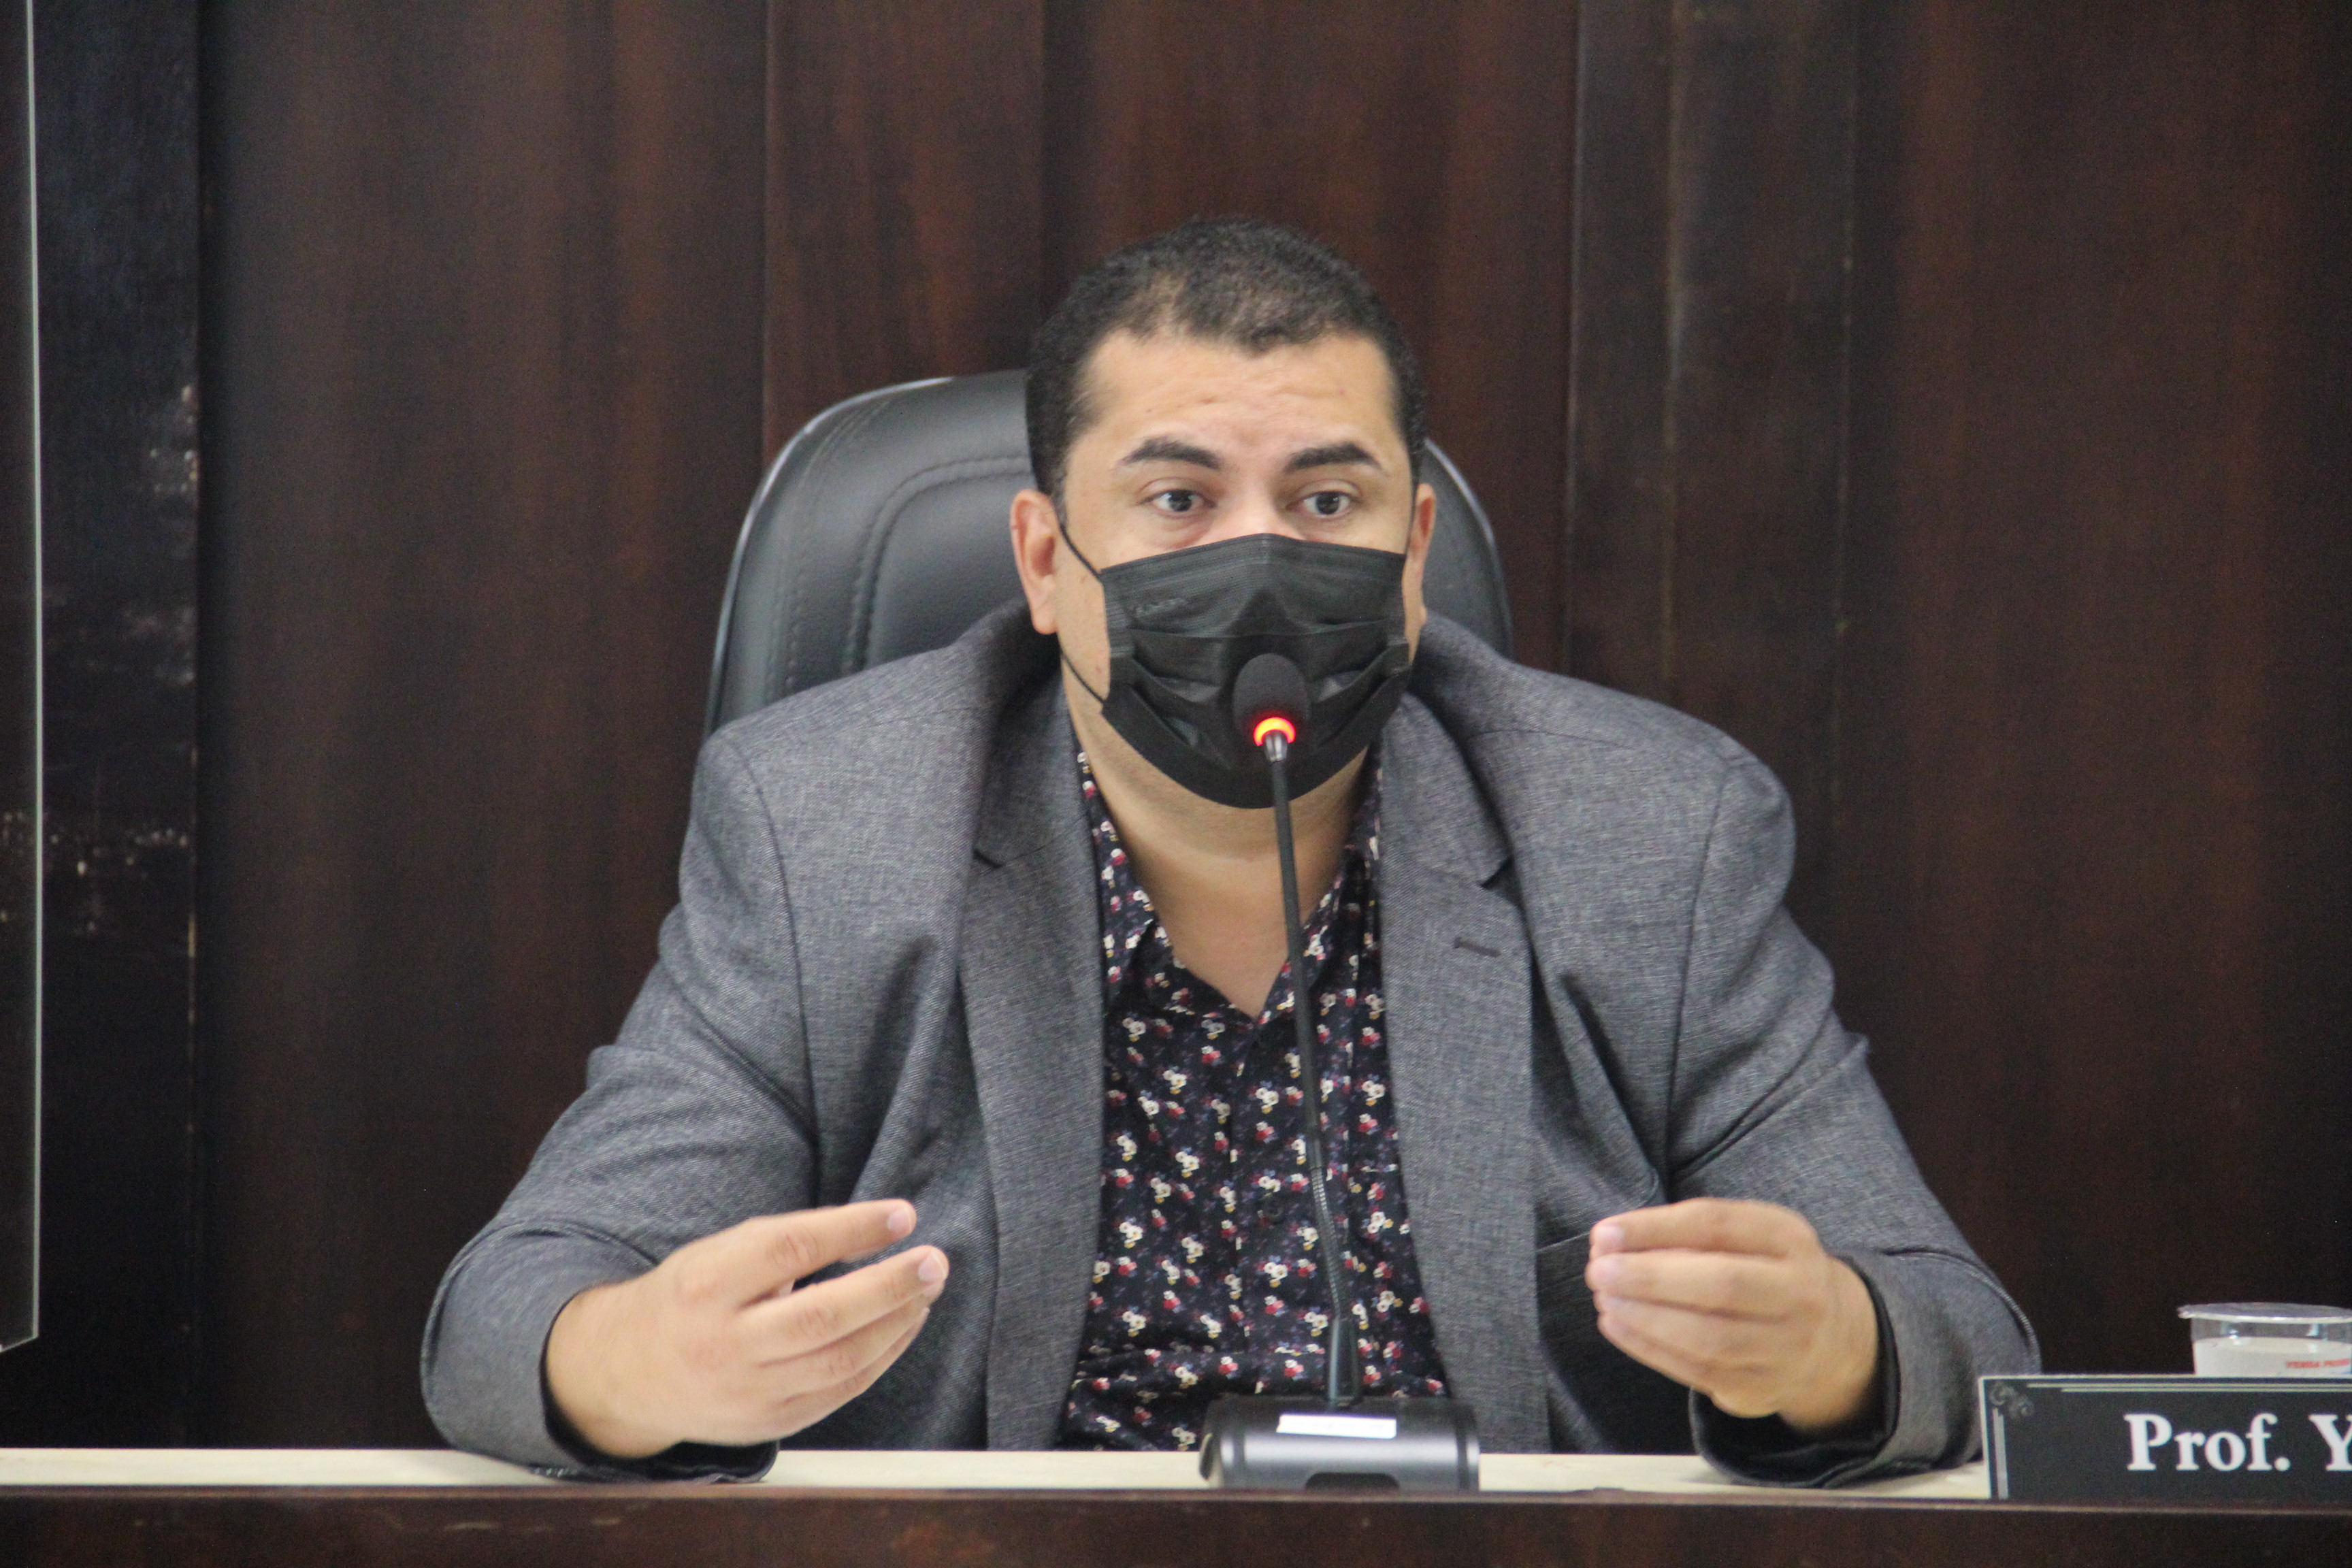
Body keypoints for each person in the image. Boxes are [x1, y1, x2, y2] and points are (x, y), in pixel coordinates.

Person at [423, 219, 2035, 1484]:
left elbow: (1964, 1335)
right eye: (1179, 501)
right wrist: (640, 1367)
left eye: (1327, 501)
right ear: (1046, 561)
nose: (1261, 558)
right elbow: (508, 1314)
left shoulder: (1647, 832)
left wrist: (1830, 1351)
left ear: (1414, 553)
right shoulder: (828, 829)